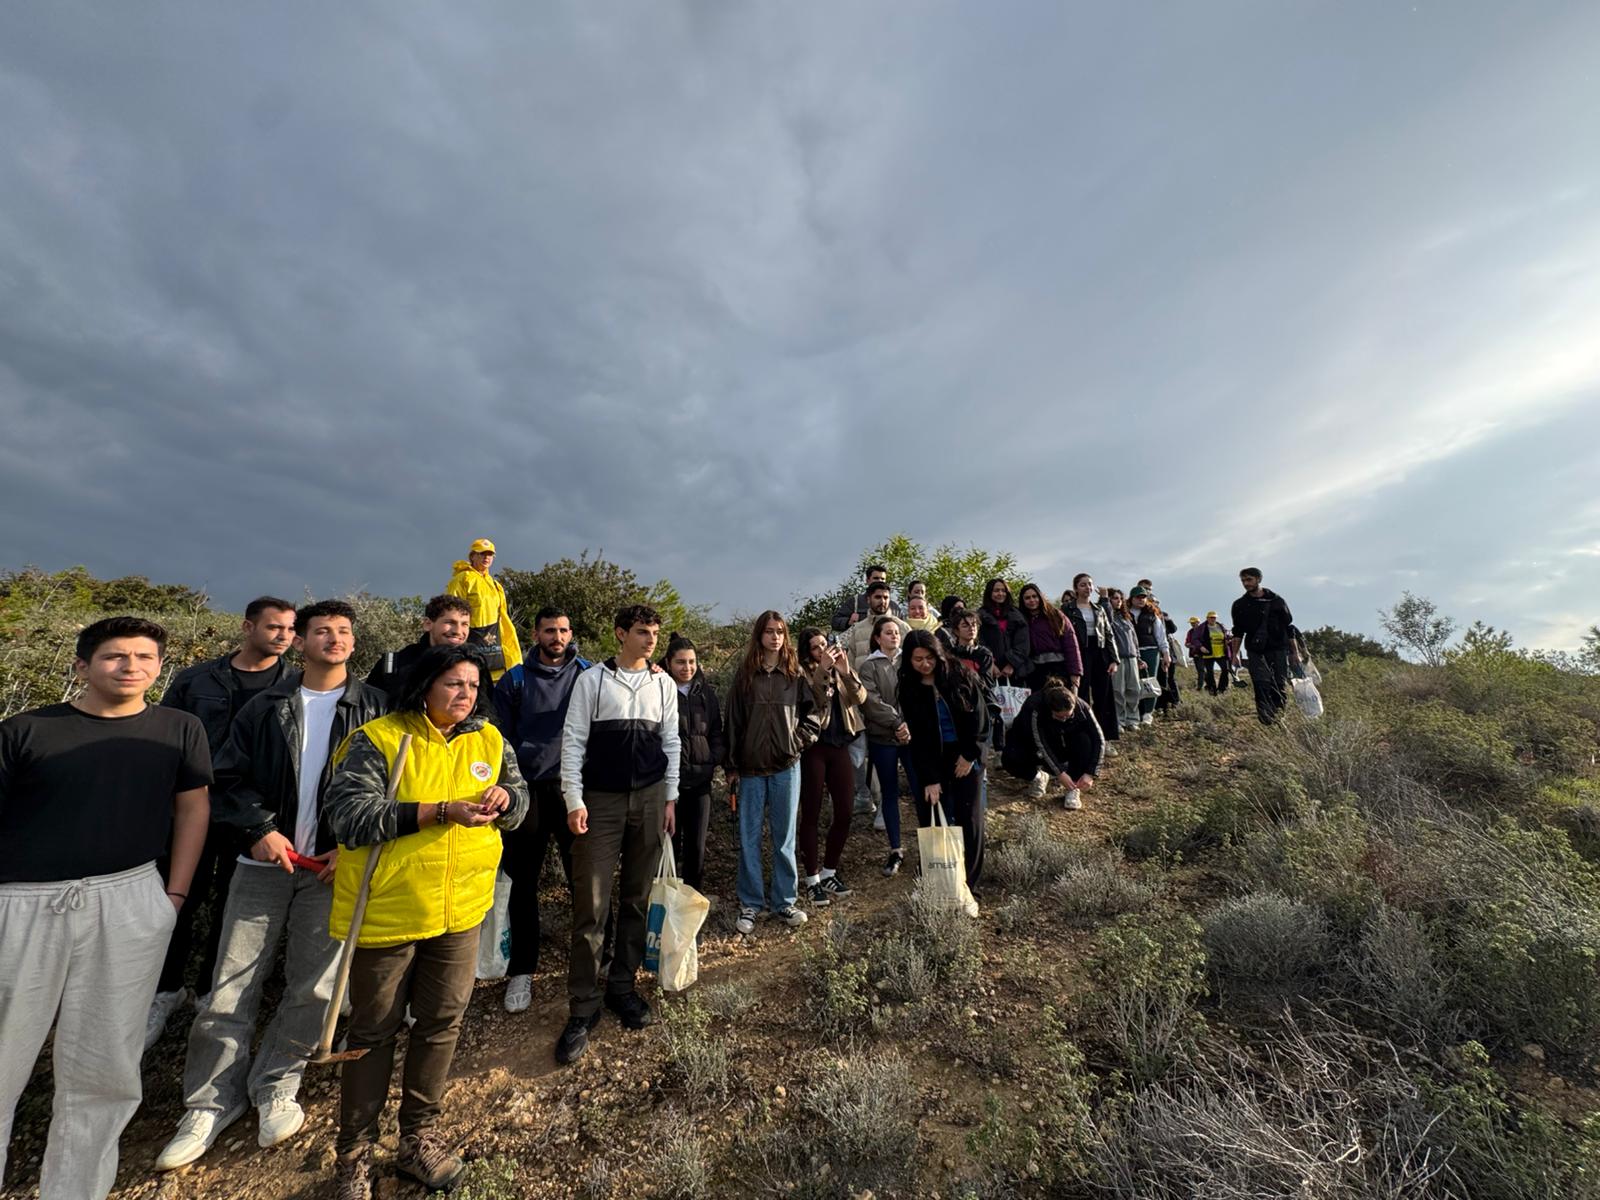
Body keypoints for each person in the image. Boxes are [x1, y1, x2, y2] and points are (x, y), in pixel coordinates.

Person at [156, 600, 387, 1171]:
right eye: (321, 632)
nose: (334, 639)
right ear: (302, 642)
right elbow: (225, 779)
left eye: (343, 632)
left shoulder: (376, 708)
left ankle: (276, 1085)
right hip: (263, 865)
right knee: (231, 985)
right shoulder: (266, 706)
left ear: (354, 644)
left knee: (314, 987)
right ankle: (209, 1102)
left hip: (334, 869)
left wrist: (352, 846)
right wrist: (260, 830)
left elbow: (388, 788)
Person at [0, 617, 211, 1200]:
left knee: (104, 1066)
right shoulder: (27, 730)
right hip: (22, 902)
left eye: (145, 657)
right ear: (83, 666)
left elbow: (192, 810)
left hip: (129, 894)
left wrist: (172, 896)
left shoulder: (178, 728)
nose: (132, 666)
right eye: (116, 656)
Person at [324, 644, 529, 1196]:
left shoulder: (488, 739)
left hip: (460, 911)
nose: (464, 695)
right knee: (374, 1030)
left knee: (441, 1022)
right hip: (390, 912)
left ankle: (418, 1136)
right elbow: (347, 816)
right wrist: (439, 812)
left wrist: (505, 799)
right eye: (452, 685)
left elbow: (522, 799)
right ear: (424, 687)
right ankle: (354, 1153)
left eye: (470, 686)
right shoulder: (381, 739)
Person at [147, 596, 296, 1048]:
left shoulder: (295, 684)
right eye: (274, 627)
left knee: (235, 905)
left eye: (290, 629)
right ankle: (163, 990)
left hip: (251, 812)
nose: (283, 636)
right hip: (189, 805)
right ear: (248, 627)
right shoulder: (197, 680)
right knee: (177, 898)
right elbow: (162, 733)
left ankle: (213, 990)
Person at [555, 606, 680, 1064]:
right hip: (600, 803)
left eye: (655, 632)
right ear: (620, 634)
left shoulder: (663, 684)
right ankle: (583, 1005)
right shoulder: (592, 682)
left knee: (636, 899)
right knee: (590, 905)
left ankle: (622, 987)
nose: (650, 640)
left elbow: (672, 742)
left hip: (649, 800)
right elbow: (572, 742)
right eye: (642, 632)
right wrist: (574, 799)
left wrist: (670, 798)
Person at [492, 606, 594, 1015]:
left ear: (571, 634)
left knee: (584, 879)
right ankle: (522, 969)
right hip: (528, 791)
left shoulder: (589, 674)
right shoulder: (514, 680)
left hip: (575, 790)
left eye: (564, 630)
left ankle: (591, 957)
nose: (557, 637)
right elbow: (501, 738)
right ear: (535, 633)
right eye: (550, 630)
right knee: (523, 881)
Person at [724, 611, 827, 934]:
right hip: (751, 769)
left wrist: (796, 743)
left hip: (786, 767)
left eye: (780, 632)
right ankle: (751, 904)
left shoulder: (794, 676)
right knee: (749, 838)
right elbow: (733, 724)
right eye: (769, 632)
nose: (775, 637)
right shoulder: (745, 676)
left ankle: (784, 901)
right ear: (759, 636)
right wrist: (731, 766)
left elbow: (814, 716)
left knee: (784, 838)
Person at [898, 631, 987, 891]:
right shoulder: (909, 686)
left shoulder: (959, 674)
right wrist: (930, 779)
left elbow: (980, 719)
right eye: (918, 660)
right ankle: (939, 883)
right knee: (931, 816)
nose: (925, 664)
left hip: (966, 754)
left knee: (969, 819)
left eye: (929, 658)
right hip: (934, 758)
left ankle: (970, 887)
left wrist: (970, 755)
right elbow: (919, 739)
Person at [796, 629, 867, 906]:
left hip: (840, 745)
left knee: (845, 811)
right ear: (807, 651)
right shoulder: (801, 673)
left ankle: (829, 871)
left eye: (824, 645)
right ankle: (812, 879)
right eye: (815, 648)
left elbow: (860, 699)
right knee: (811, 813)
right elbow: (814, 700)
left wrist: (846, 672)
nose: (822, 651)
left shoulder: (840, 669)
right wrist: (823, 671)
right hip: (814, 748)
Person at [661, 633, 723, 894]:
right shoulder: (658, 689)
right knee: (668, 851)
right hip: (667, 788)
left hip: (700, 784)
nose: (687, 668)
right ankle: (667, 914)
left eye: (691, 662)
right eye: (680, 662)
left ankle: (690, 912)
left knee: (696, 851)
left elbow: (717, 733)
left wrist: (712, 760)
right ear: (668, 662)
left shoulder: (706, 694)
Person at [859, 617, 919, 878]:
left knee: (920, 788)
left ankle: (928, 846)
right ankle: (896, 849)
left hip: (911, 737)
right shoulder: (869, 666)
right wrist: (897, 723)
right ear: (877, 637)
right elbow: (871, 701)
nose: (894, 636)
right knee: (889, 793)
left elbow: (917, 695)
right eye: (888, 633)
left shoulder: (911, 662)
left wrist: (908, 725)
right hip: (883, 738)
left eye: (897, 632)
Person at [1001, 679, 1105, 811]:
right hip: (1032, 745)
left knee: (1084, 740)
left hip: (1062, 746)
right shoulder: (1034, 707)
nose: (1065, 720)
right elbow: (1040, 743)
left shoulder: (1082, 707)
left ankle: (1073, 786)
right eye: (1060, 717)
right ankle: (1038, 776)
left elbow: (1099, 740)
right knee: (1010, 757)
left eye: (1069, 716)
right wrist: (1059, 773)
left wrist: (1091, 773)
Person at [366, 594, 472, 701]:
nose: (458, 631)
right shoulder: (394, 666)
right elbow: (369, 708)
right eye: (450, 622)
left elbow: (484, 712)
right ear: (427, 624)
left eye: (464, 624)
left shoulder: (476, 667)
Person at [445, 538, 522, 680]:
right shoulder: (462, 579)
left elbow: (503, 619)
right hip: (473, 644)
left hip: (496, 649)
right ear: (472, 556)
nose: (486, 557)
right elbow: (451, 613)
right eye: (482, 554)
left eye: (490, 554)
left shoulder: (495, 584)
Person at [1063, 575, 1121, 759]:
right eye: (1083, 585)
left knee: (1104, 697)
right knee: (1080, 697)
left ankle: (1106, 740)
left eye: (1089, 584)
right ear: (1075, 588)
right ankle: (1083, 740)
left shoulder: (1099, 609)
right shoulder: (1067, 609)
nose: (1087, 588)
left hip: (1100, 654)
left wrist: (1114, 659)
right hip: (1079, 654)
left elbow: (1109, 633)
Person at [1231, 569, 1296, 724]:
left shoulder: (1277, 601)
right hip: (1255, 651)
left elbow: (1289, 627)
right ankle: (1266, 720)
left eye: (1249, 580)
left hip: (1278, 648)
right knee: (1260, 685)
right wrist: (1235, 654)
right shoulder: (1240, 605)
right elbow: (1238, 632)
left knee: (1278, 684)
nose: (1246, 583)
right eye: (1243, 581)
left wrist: (1295, 652)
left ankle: (1280, 718)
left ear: (1258, 579)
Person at [1017, 583, 1082, 694]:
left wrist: (1075, 672)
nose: (1032, 600)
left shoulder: (1056, 615)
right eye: (1027, 598)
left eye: (1034, 596)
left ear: (1040, 597)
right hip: (1035, 671)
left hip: (1060, 668)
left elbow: (1071, 644)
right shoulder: (1021, 619)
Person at [1104, 588, 1144, 734]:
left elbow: (1134, 639)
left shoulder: (1126, 618)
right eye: (1114, 598)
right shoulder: (1106, 617)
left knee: (1134, 689)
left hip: (1132, 657)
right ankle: (1119, 720)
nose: (1118, 601)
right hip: (1117, 658)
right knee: (1118, 690)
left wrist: (1138, 657)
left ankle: (1132, 719)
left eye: (1120, 599)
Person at [1129, 587, 1170, 728]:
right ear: (1131, 598)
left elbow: (1161, 636)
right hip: (1132, 652)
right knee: (1133, 682)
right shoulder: (1125, 614)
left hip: (1151, 651)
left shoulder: (1152, 615)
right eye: (1137, 597)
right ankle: (1134, 712)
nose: (1141, 600)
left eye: (1143, 597)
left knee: (1150, 681)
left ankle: (1148, 713)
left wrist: (1166, 654)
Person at [844, 580, 909, 667]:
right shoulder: (858, 629)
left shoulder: (902, 627)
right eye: (878, 597)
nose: (882, 601)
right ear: (868, 599)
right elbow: (850, 663)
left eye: (886, 598)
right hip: (861, 679)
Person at [977, 578, 1030, 686]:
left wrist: (1011, 664)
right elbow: (979, 642)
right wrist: (991, 664)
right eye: (996, 590)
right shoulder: (980, 615)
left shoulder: (1017, 614)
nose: (1000, 593)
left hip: (1016, 672)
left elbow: (1023, 643)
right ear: (989, 593)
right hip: (990, 671)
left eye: (1003, 590)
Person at [830, 563, 904, 632]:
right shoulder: (855, 602)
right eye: (876, 578)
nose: (879, 581)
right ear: (867, 580)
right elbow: (835, 621)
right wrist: (848, 621)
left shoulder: (894, 607)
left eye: (882, 579)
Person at [1192, 612, 1231, 695]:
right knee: (1210, 672)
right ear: (1207, 618)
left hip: (1221, 653)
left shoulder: (1220, 626)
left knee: (1225, 670)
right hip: (1208, 653)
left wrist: (1229, 638)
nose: (1213, 619)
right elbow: (1195, 639)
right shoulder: (1202, 627)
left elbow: (1227, 635)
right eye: (1211, 617)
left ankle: (1222, 689)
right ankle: (1212, 689)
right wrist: (1201, 647)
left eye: (1214, 617)